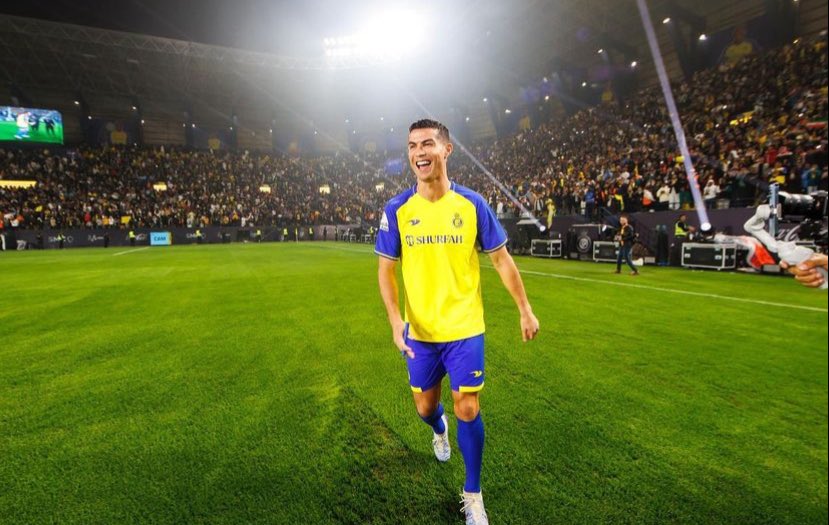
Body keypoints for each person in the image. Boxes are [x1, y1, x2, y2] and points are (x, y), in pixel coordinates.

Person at [375, 119, 539, 525]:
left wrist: (525, 308)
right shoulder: (398, 209)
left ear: (447, 150)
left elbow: (501, 260)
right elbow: (386, 270)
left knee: (468, 406)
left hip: (465, 328)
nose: (419, 152)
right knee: (425, 407)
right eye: (412, 145)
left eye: (427, 143)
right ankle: (438, 429)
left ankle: (473, 493)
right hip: (421, 332)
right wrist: (395, 321)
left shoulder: (472, 205)